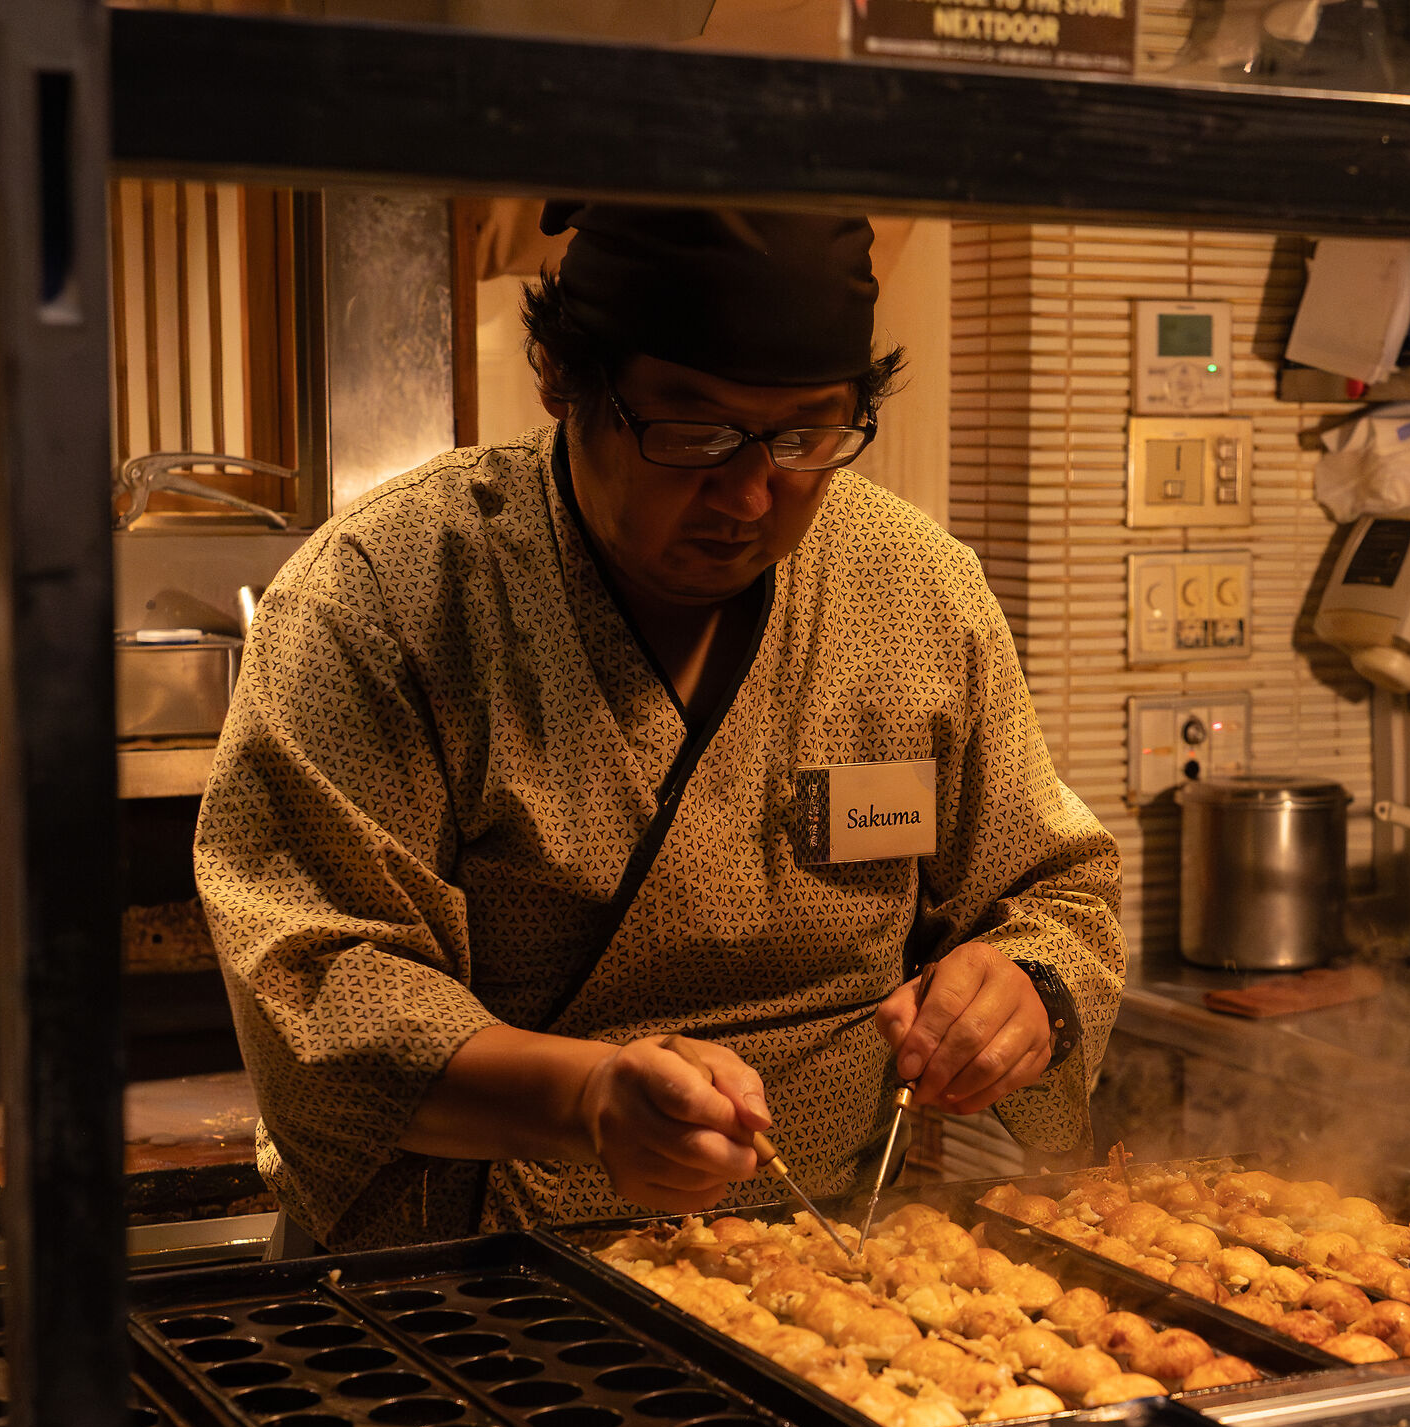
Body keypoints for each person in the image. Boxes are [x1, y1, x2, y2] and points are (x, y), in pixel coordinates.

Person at [195, 203, 1124, 1252]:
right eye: (696, 434)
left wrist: (1028, 989)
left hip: (831, 1262)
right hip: (463, 1275)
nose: (751, 494)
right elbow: (317, 987)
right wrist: (585, 1100)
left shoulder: (917, 588)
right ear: (562, 378)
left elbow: (1054, 890)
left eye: (807, 437)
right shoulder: (384, 594)